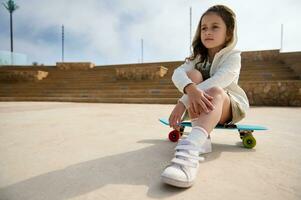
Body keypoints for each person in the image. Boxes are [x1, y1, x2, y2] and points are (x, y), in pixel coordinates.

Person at [161, 5, 250, 188]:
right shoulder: (197, 58)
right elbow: (177, 74)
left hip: (229, 106)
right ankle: (203, 140)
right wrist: (189, 89)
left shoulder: (233, 56)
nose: (208, 32)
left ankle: (189, 156)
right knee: (192, 76)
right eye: (204, 28)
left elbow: (220, 80)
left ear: (228, 33)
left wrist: (182, 103)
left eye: (215, 27)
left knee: (215, 90)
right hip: (203, 110)